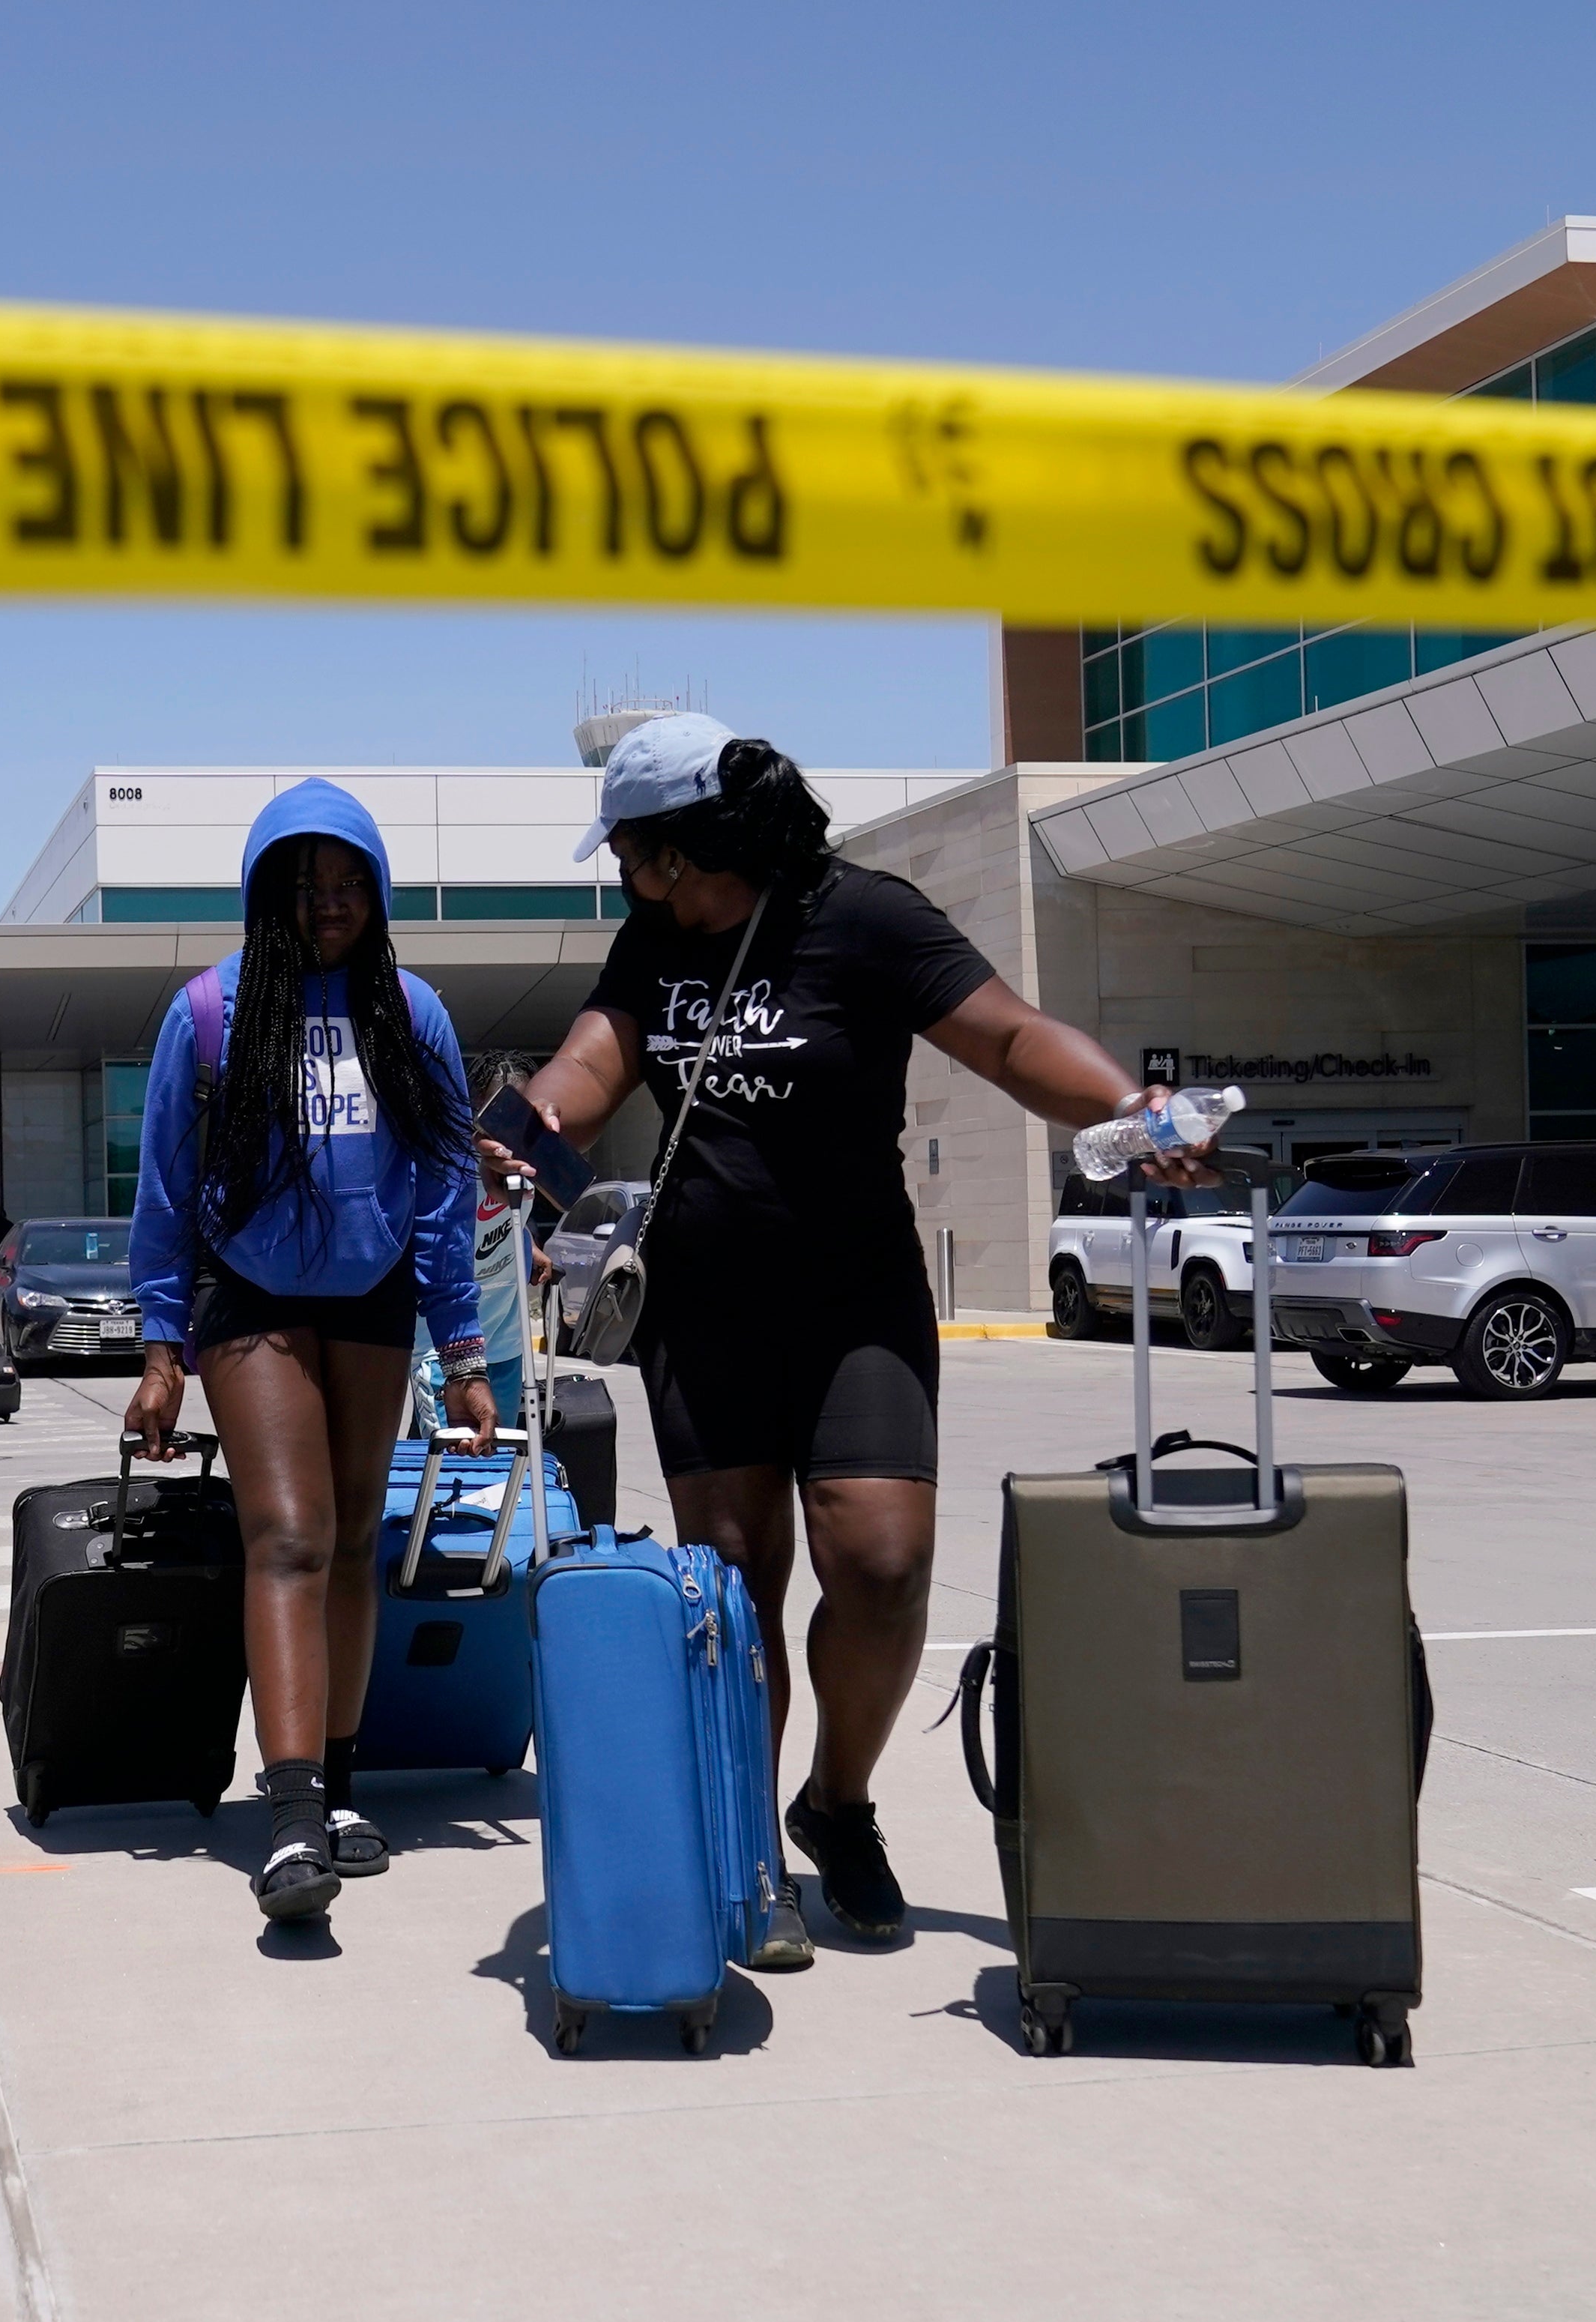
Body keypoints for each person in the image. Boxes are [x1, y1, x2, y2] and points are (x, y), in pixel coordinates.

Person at [480, 714, 1206, 1967]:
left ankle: (838, 1802)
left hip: (855, 1296)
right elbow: (590, 1065)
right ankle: (745, 1842)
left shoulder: (864, 917)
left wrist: (1131, 1108)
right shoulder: (653, 943)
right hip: (704, 1304)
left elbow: (1011, 1039)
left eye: (632, 851)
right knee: (734, 1585)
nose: (623, 875)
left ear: (687, 842)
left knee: (881, 1561)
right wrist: (533, 1125)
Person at [127, 779, 498, 1926]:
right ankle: (288, 1818)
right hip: (252, 1299)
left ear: (377, 895)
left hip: (376, 1300)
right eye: (305, 885)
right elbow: (165, 1191)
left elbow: (443, 1193)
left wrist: (467, 1349)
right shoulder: (206, 1014)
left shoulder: (413, 1014)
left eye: (348, 886)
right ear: (264, 895)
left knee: (348, 1548)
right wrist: (159, 1345)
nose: (329, 906)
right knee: (286, 1535)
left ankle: (338, 1789)